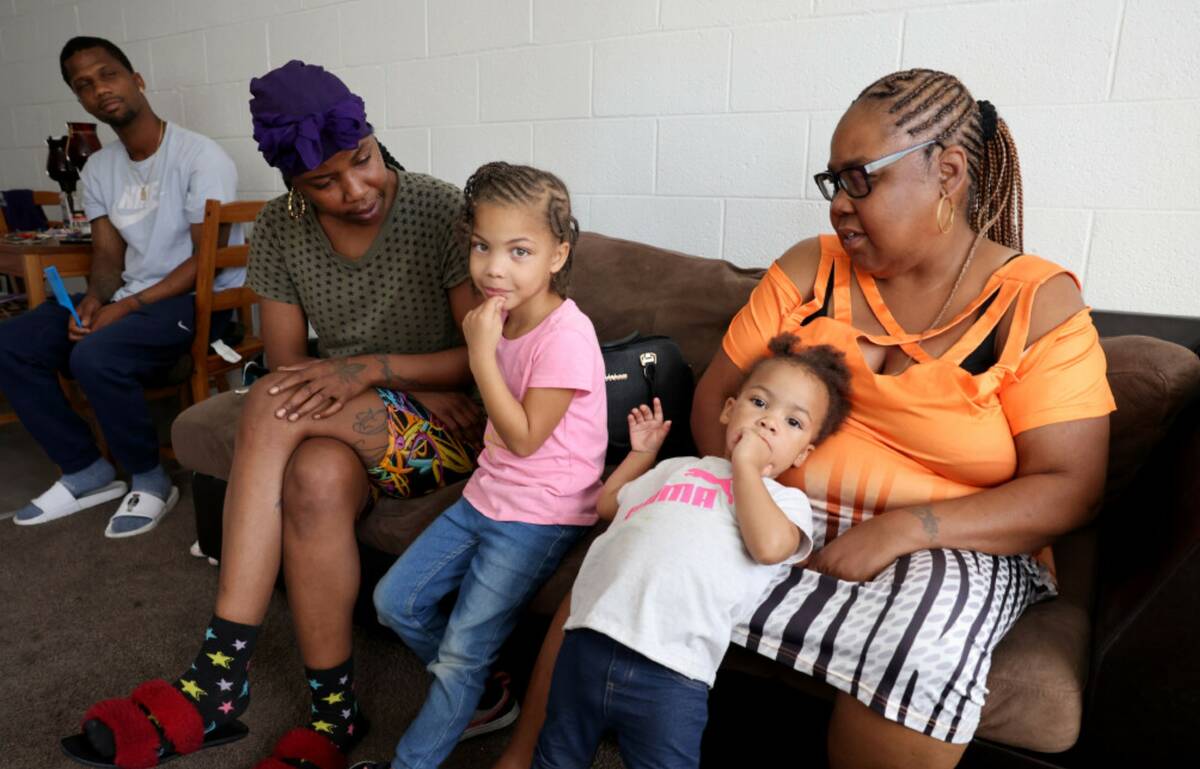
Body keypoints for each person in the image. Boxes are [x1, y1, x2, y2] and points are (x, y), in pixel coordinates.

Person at [495, 68, 1117, 769]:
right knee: (633, 552)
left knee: (918, 652)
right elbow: (715, 400)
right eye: (833, 183)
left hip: (955, 539)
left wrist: (905, 528)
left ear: (947, 173)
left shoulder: (1040, 304)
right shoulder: (809, 269)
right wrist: (754, 490)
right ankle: (520, 758)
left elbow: (1072, 485)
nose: (838, 209)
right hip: (778, 499)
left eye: (860, 179)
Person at [63, 61, 485, 769]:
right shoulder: (281, 234)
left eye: (365, 161)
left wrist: (371, 369)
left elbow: (480, 361)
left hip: (451, 425)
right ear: (294, 183)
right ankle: (333, 712)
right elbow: (291, 364)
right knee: (314, 478)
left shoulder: (439, 210)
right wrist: (354, 381)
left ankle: (218, 675)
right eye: (325, 181)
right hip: (347, 419)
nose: (356, 189)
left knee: (264, 400)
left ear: (375, 139)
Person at [350, 162, 607, 769]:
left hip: (541, 512)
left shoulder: (565, 335)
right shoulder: (501, 316)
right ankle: (484, 693)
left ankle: (415, 756)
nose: (494, 267)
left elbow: (522, 438)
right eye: (482, 246)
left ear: (557, 253)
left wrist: (478, 353)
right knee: (396, 602)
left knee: (461, 653)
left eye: (519, 251)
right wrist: (486, 345)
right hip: (487, 495)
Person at [532, 336, 851, 769]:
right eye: (759, 403)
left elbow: (770, 546)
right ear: (728, 410)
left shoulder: (783, 502)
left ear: (803, 453)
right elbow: (609, 505)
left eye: (793, 423)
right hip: (587, 640)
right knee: (555, 756)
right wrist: (643, 455)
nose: (769, 423)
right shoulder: (676, 467)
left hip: (670, 672)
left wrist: (745, 465)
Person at [0, 36, 240, 536]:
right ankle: (86, 469)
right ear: (80, 100)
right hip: (135, 296)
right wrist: (92, 299)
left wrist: (125, 306)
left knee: (95, 355)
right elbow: (108, 258)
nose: (99, 89)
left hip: (196, 300)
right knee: (13, 342)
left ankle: (152, 479)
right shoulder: (99, 168)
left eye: (107, 74)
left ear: (136, 79)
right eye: (83, 85)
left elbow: (206, 262)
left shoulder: (199, 156)